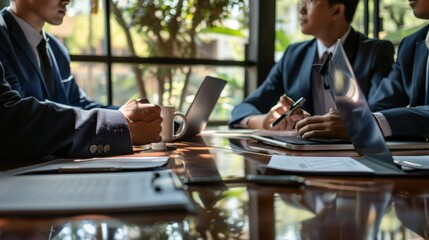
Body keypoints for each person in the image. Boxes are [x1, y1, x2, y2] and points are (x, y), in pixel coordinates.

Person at [229, 0, 394, 131]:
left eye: (310, 1)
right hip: (300, 156)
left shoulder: (376, 52)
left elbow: (383, 113)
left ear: (336, 10)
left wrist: (348, 123)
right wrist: (264, 121)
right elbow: (243, 108)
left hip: (359, 155)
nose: (301, 9)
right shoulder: (293, 55)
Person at [296, 0, 429, 140]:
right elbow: (381, 107)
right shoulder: (410, 46)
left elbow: (372, 119)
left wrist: (364, 123)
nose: (301, 9)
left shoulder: (378, 51)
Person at [0, 59, 162, 162]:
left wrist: (134, 117)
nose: (67, 2)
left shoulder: (55, 46)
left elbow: (80, 104)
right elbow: (11, 119)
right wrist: (118, 124)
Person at [0, 0, 117, 110]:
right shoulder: (2, 38)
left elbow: (78, 104)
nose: (67, 1)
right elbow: (18, 112)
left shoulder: (57, 48)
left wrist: (124, 115)